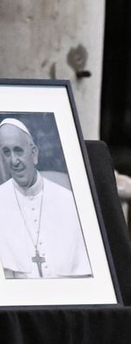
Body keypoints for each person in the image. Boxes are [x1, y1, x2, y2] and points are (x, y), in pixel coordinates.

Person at [0, 117, 90, 279]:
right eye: (6, 152)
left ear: (34, 154)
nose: (14, 161)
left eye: (18, 150)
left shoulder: (68, 201)